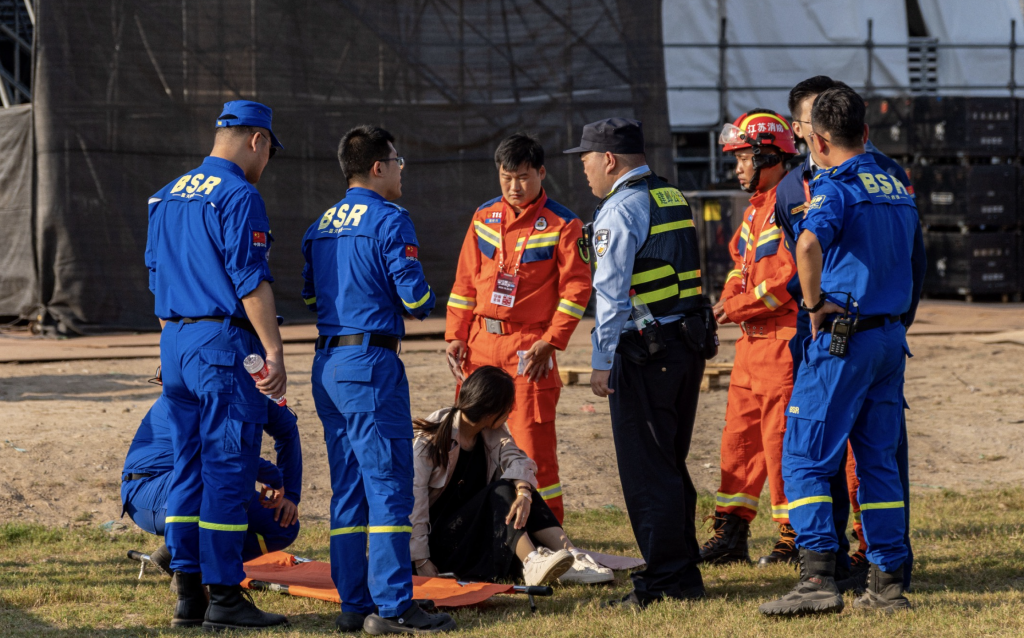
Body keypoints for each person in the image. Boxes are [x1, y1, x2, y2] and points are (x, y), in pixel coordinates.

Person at [760, 85, 923, 617]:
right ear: (867, 132)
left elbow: (807, 244)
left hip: (843, 337)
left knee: (805, 456)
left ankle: (817, 580)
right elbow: (916, 261)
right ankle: (887, 585)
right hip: (889, 339)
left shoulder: (834, 187)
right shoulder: (896, 185)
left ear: (821, 140)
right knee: (878, 463)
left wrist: (814, 305)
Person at [301, 125, 455, 635]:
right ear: (378, 167)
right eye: (398, 159)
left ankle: (353, 604)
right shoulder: (391, 219)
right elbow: (415, 301)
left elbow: (309, 299)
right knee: (388, 484)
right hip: (371, 365)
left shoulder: (320, 224)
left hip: (327, 364)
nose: (402, 168)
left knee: (347, 489)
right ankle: (394, 608)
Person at [145, 100, 289, 630]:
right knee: (228, 471)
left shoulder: (166, 195)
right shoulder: (239, 194)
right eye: (270, 150)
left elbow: (157, 278)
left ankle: (189, 596)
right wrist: (273, 351)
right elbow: (249, 277)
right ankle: (225, 596)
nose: (267, 162)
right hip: (221, 346)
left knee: (187, 468)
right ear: (256, 140)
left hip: (176, 341)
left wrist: (172, 347)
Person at [567, 118, 709, 608]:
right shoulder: (671, 195)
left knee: (648, 471)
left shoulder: (619, 209)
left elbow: (609, 295)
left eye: (586, 159)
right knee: (669, 461)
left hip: (645, 353)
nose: (584, 170)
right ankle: (682, 565)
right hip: (685, 346)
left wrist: (601, 361)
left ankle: (668, 579)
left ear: (609, 160)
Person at [444, 134, 592, 523]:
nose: (514, 187)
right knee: (469, 440)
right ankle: (475, 526)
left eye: (523, 177)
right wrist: (455, 336)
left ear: (541, 173)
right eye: (506, 177)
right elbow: (464, 282)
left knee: (531, 445)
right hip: (479, 343)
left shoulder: (564, 224)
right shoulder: (483, 217)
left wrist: (551, 341)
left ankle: (547, 533)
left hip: (530, 347)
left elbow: (577, 289)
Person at [699, 110, 801, 568]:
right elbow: (739, 269)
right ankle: (731, 534)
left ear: (769, 155)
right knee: (738, 444)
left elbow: (789, 277)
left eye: (743, 158)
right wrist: (726, 301)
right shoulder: (755, 210)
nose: (736, 168)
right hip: (750, 346)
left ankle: (792, 535)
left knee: (780, 445)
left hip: (782, 344)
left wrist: (734, 307)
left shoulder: (793, 202)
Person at [410, 366, 613, 586]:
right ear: (490, 411)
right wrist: (421, 560)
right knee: (502, 490)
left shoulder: (489, 431)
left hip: (476, 532)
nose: (510, 413)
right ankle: (532, 561)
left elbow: (518, 460)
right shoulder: (429, 442)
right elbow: (414, 505)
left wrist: (524, 491)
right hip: (440, 544)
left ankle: (574, 558)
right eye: (508, 407)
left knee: (520, 487)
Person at [121, 394, 302, 579]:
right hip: (147, 491)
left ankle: (184, 558)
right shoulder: (207, 383)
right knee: (223, 476)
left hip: (194, 485)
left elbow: (287, 430)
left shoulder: (248, 387)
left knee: (283, 526)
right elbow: (222, 454)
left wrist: (290, 495)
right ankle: (194, 576)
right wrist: (274, 477)